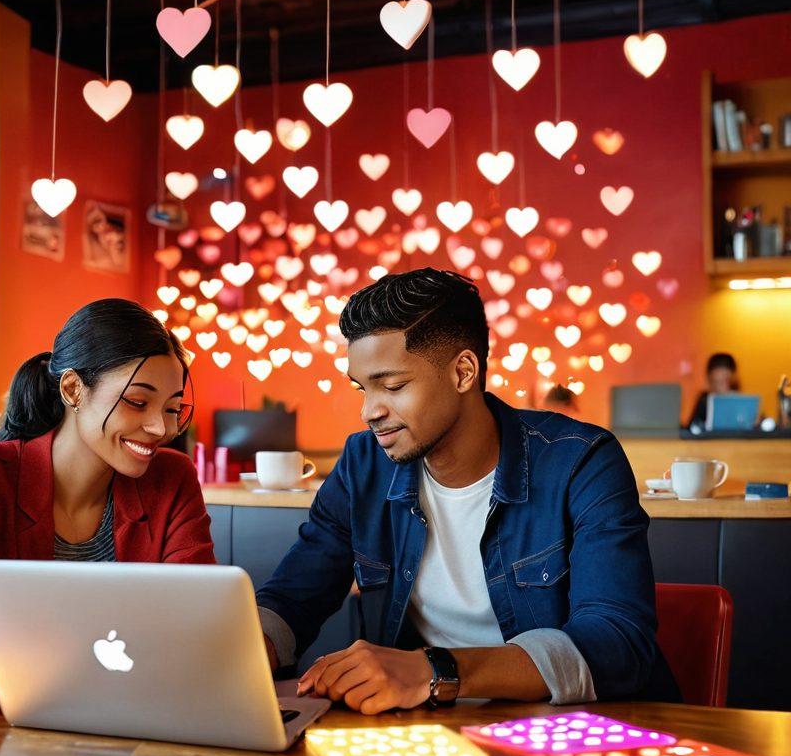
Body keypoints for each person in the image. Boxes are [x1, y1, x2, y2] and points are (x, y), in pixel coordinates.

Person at [257, 268, 678, 714]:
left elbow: (617, 642)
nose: (369, 411)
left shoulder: (582, 461)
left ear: (463, 371)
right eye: (363, 388)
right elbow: (292, 599)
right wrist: (247, 652)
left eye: (393, 386)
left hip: (572, 738)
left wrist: (433, 670)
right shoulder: (364, 464)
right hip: (426, 735)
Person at [0, 299, 215, 707]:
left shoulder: (171, 479)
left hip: (138, 724)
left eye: (173, 408)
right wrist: (74, 671)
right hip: (14, 733)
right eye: (137, 402)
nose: (162, 428)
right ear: (72, 389)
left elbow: (199, 631)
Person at [687, 352, 739, 428]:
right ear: (710, 376)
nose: (721, 374)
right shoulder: (704, 400)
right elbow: (694, 427)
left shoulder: (739, 401)